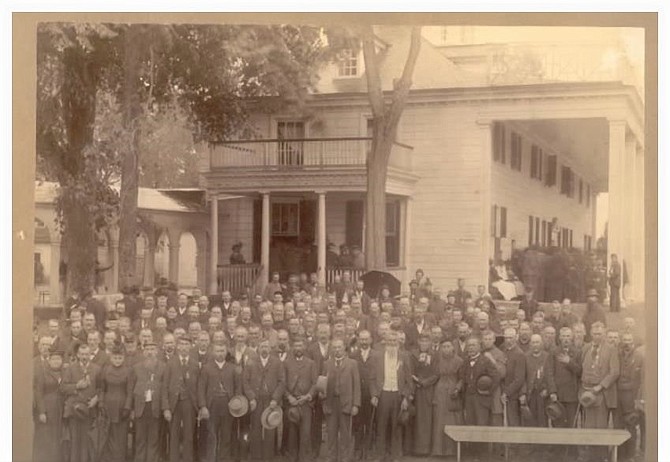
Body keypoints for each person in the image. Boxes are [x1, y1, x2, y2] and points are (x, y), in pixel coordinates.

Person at [369, 329, 413, 462]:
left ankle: (396, 455)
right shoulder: (377, 356)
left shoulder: (404, 356)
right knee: (381, 426)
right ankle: (380, 454)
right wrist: (374, 395)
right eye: (389, 341)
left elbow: (408, 380)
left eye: (394, 341)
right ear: (385, 342)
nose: (392, 343)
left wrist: (405, 397)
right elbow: (371, 378)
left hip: (398, 396)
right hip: (383, 395)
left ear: (398, 343)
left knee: (397, 426)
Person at [579, 322, 620, 461]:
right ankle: (590, 456)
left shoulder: (611, 349)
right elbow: (582, 368)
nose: (598, 337)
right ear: (591, 334)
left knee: (600, 426)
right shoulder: (586, 348)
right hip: (587, 392)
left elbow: (615, 372)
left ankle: (601, 457)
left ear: (604, 334)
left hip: (602, 393)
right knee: (588, 425)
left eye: (600, 334)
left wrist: (601, 386)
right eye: (595, 334)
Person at [243, 338, 286, 462]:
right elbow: (245, 381)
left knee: (270, 427)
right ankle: (256, 457)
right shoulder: (251, 362)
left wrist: (275, 399)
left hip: (270, 401)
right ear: (258, 348)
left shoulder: (277, 363)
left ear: (270, 349)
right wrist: (251, 398)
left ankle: (268, 457)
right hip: (256, 400)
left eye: (266, 347)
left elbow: (282, 382)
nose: (264, 349)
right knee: (255, 428)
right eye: (262, 347)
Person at [198, 342, 239, 462]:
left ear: (226, 352)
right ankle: (211, 458)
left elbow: (237, 387)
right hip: (212, 405)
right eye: (217, 351)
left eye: (222, 351)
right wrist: (203, 406)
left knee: (226, 434)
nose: (220, 354)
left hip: (227, 405)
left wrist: (236, 402)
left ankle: (224, 458)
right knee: (211, 434)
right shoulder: (206, 368)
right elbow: (201, 388)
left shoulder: (232, 368)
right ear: (213, 352)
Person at [61, 343, 102, 462]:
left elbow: (101, 388)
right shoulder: (70, 369)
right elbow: (62, 388)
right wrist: (76, 386)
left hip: (89, 409)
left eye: (87, 354)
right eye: (82, 354)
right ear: (78, 355)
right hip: (74, 410)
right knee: (74, 440)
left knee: (87, 441)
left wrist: (96, 399)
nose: (84, 357)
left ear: (90, 355)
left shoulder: (97, 369)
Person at [322, 338, 360, 462]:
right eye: (334, 348)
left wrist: (355, 404)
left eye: (339, 347)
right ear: (331, 349)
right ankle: (331, 457)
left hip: (346, 403)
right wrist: (323, 398)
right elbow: (322, 384)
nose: (337, 350)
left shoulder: (352, 364)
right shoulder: (326, 364)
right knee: (331, 432)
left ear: (344, 348)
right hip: (331, 403)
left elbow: (357, 385)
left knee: (345, 434)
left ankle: (345, 458)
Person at [163, 336, 200, 462]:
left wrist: (199, 406)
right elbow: (165, 386)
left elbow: (198, 387)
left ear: (190, 347)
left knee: (189, 435)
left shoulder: (195, 364)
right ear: (177, 347)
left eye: (186, 344)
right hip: (175, 403)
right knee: (174, 435)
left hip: (189, 403)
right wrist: (166, 408)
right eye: (181, 344)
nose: (184, 347)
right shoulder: (170, 363)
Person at [284, 337, 317, 462]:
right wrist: (289, 397)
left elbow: (315, 384)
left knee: (305, 434)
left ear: (304, 347)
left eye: (300, 346)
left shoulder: (311, 363)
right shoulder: (287, 363)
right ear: (293, 347)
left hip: (305, 404)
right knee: (292, 434)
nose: (298, 348)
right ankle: (292, 458)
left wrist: (308, 396)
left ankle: (304, 458)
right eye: (296, 346)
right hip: (292, 403)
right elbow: (283, 384)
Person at [100, 343, 132, 462]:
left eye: (120, 358)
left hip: (122, 407)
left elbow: (129, 391)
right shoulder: (106, 370)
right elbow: (102, 389)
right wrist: (101, 404)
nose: (117, 360)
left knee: (121, 437)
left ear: (123, 358)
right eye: (115, 358)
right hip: (108, 406)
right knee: (109, 436)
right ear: (111, 357)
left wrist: (127, 407)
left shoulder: (128, 371)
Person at [431, 340, 464, 457]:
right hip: (440, 391)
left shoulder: (459, 361)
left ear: (453, 348)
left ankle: (451, 450)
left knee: (452, 420)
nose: (446, 349)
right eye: (443, 346)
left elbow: (461, 378)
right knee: (439, 419)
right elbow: (434, 376)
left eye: (448, 346)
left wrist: (457, 389)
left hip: (453, 391)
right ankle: (438, 451)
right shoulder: (437, 361)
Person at [615, 332, 644, 460]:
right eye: (625, 340)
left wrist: (639, 398)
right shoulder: (617, 354)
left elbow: (642, 379)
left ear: (633, 342)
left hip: (631, 396)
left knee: (631, 425)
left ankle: (630, 455)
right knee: (618, 425)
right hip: (617, 395)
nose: (627, 343)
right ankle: (619, 455)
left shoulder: (639, 356)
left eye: (629, 340)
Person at [33, 349, 66, 462]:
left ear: (62, 360)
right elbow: (38, 393)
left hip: (61, 408)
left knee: (58, 436)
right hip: (48, 408)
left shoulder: (65, 372)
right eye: (53, 359)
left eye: (58, 359)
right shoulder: (43, 372)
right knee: (46, 436)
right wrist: (42, 411)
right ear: (49, 360)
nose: (56, 361)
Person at [546, 327, 582, 429]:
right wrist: (552, 391)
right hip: (558, 395)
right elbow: (549, 373)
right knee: (558, 423)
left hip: (572, 395)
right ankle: (558, 445)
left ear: (572, 338)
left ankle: (571, 445)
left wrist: (569, 362)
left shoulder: (577, 352)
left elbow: (580, 371)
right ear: (559, 338)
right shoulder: (553, 352)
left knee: (571, 424)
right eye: (563, 336)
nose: (566, 339)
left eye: (568, 336)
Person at [409, 333, 438, 456]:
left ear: (430, 343)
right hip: (415, 389)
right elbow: (410, 371)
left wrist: (424, 382)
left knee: (427, 419)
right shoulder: (413, 355)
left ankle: (426, 449)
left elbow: (437, 373)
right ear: (418, 342)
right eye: (422, 341)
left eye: (427, 341)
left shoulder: (435, 355)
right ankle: (415, 448)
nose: (424, 344)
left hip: (429, 389)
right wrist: (416, 381)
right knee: (415, 419)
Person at [521, 334, 550, 429]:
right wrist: (523, 393)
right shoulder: (525, 357)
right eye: (533, 342)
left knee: (543, 421)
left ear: (541, 343)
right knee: (529, 421)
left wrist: (547, 389)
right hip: (530, 394)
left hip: (543, 395)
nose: (535, 345)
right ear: (530, 344)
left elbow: (550, 375)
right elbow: (523, 377)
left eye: (537, 342)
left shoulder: (547, 357)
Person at [501, 327, 526, 427]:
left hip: (513, 395)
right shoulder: (503, 351)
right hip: (504, 392)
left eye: (511, 338)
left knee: (513, 423)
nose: (508, 340)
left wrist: (507, 392)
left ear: (516, 337)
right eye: (506, 338)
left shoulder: (519, 354)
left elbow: (519, 379)